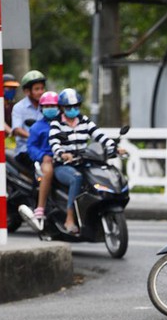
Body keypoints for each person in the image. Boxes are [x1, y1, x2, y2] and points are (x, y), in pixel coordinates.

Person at [48, 88, 118, 234]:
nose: (73, 110)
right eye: (68, 107)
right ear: (61, 108)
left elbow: (99, 135)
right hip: (64, 165)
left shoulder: (84, 120)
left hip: (84, 162)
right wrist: (62, 153)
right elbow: (54, 142)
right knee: (76, 178)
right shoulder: (56, 123)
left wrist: (114, 146)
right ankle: (69, 218)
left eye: (76, 106)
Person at [28, 91, 59, 222]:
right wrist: (42, 156)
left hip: (64, 158)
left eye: (53, 106)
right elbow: (31, 147)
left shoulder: (64, 125)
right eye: (47, 106)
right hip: (47, 160)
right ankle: (40, 208)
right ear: (41, 108)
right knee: (47, 171)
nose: (50, 109)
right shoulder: (37, 127)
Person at [11, 69, 46, 171]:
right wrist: (35, 137)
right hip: (25, 150)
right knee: (41, 169)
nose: (40, 92)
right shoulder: (19, 107)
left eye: (42, 88)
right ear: (27, 91)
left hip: (45, 149)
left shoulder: (48, 107)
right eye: (37, 89)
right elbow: (17, 130)